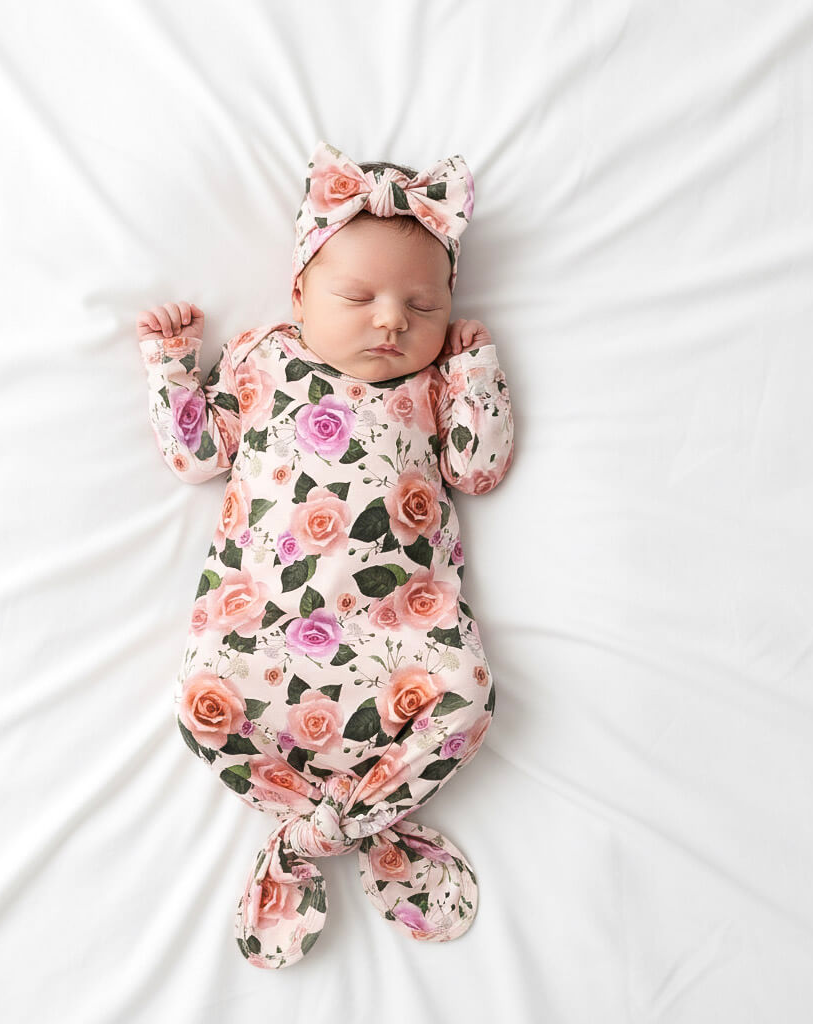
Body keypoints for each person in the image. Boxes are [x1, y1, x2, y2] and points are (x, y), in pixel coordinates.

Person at [134, 140, 515, 969]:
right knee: (199, 699)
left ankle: (342, 818)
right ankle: (322, 820)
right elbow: (199, 455)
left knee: (470, 696)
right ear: (300, 291)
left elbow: (479, 470)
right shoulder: (265, 358)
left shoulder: (433, 380)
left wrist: (476, 370)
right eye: (359, 295)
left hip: (400, 633)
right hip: (263, 627)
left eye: (423, 307)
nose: (392, 320)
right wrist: (173, 367)